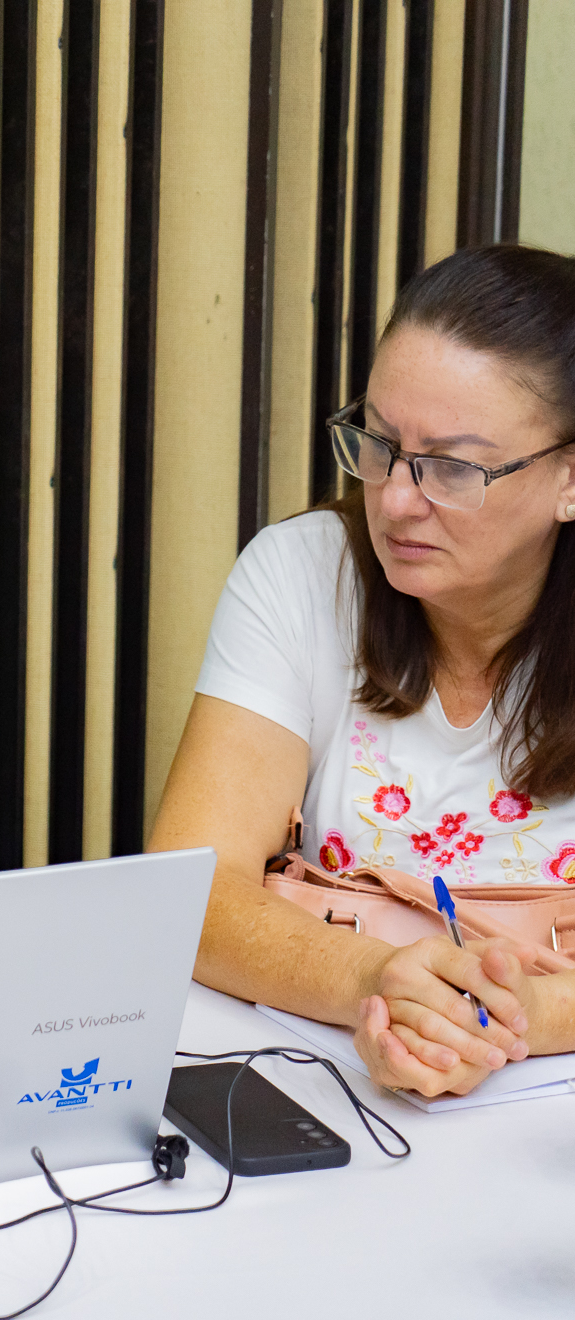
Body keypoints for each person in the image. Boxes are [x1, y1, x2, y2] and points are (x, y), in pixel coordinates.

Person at [150, 244, 575, 1098]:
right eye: (379, 444)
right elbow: (186, 895)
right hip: (327, 1074)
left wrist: (517, 1015)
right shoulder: (305, 574)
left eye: (452, 467)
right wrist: (376, 982)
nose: (396, 500)